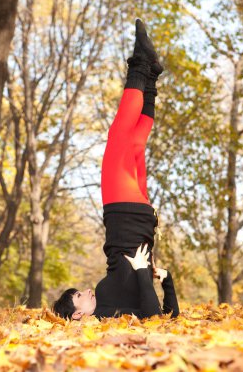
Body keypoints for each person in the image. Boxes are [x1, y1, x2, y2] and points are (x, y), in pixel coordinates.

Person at [53, 19, 180, 321]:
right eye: (78, 297)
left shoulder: (110, 312)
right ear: (77, 316)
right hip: (124, 216)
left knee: (135, 143)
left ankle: (150, 79)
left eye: (79, 291)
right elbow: (155, 318)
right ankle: (139, 64)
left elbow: (166, 317)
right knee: (119, 138)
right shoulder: (105, 314)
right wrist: (144, 273)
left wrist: (164, 280)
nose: (85, 291)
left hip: (140, 219)